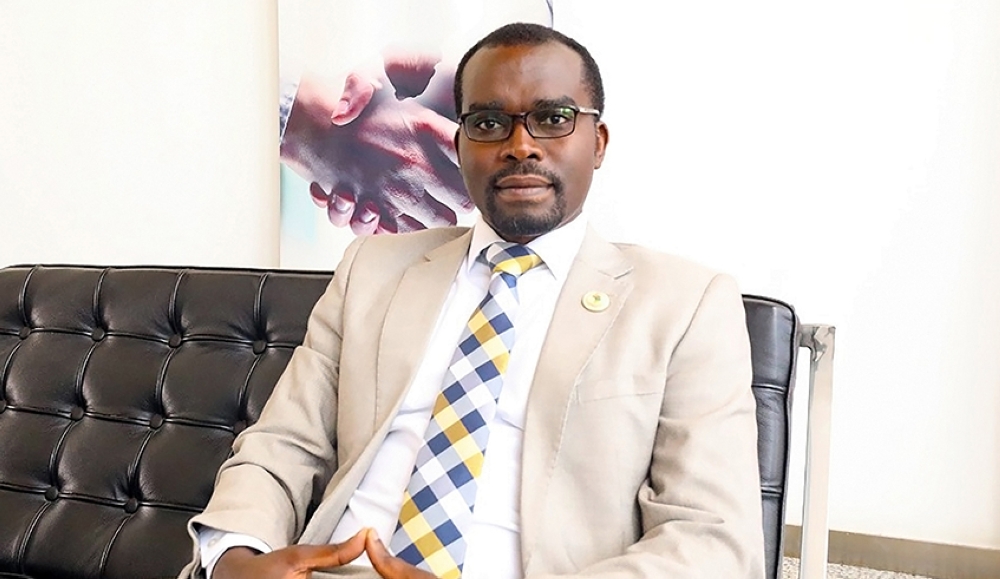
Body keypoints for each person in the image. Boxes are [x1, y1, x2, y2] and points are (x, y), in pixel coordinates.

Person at [181, 22, 765, 579]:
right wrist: (233, 555)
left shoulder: (685, 304)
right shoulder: (373, 269)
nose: (520, 146)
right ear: (460, 145)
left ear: (598, 142)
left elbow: (711, 540)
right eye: (489, 123)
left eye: (553, 119)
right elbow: (284, 443)